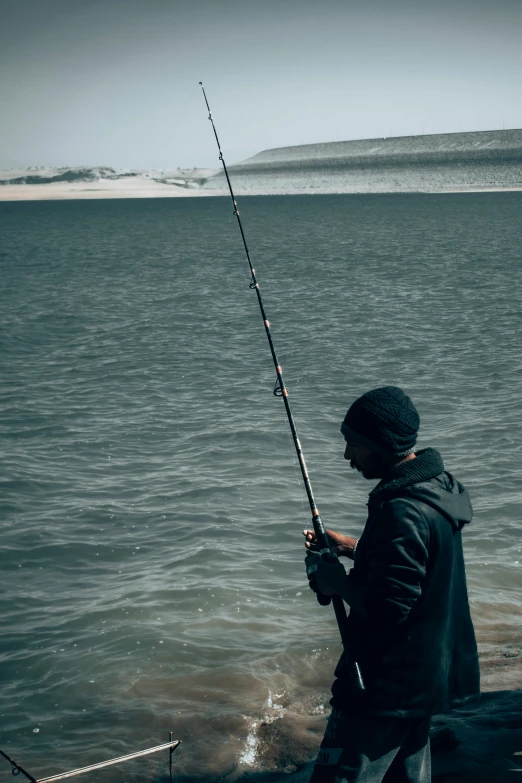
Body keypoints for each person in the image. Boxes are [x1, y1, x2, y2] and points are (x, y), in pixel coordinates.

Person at [303, 386, 479, 783]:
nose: (348, 456)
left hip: (384, 686)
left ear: (380, 443)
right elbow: (417, 567)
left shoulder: (402, 509)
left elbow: (390, 605)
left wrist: (337, 583)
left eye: (354, 445)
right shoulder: (435, 489)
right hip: (422, 678)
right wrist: (352, 547)